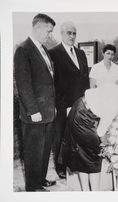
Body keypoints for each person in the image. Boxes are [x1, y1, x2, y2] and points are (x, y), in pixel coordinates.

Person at [61, 82, 118, 191]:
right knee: (95, 154)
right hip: (82, 116)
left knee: (83, 154)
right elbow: (101, 132)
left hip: (80, 108)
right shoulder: (115, 103)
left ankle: (86, 191)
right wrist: (113, 148)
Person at [14, 13, 56, 191]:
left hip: (47, 111)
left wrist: (52, 107)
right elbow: (24, 84)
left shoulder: (43, 49)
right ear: (38, 27)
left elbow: (48, 81)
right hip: (35, 113)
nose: (50, 35)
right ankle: (33, 187)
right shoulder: (24, 49)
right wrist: (33, 110)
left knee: (44, 150)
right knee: (33, 152)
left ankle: (40, 179)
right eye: (48, 31)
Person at [49, 22, 90, 179]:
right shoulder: (54, 53)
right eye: (69, 33)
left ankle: (74, 163)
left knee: (77, 135)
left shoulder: (80, 53)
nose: (72, 36)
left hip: (80, 103)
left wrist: (86, 100)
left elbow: (85, 77)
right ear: (61, 33)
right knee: (60, 136)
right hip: (62, 104)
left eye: (74, 33)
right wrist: (60, 105)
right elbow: (52, 82)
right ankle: (60, 166)